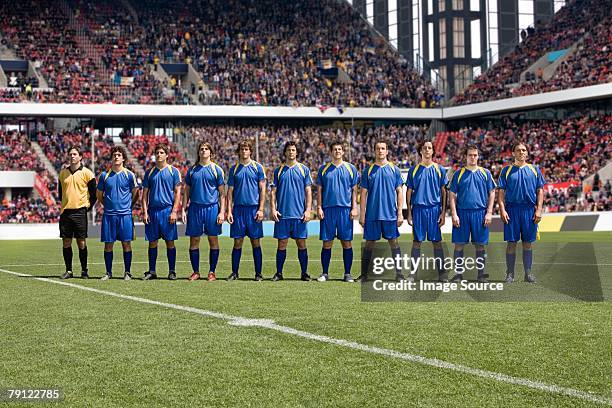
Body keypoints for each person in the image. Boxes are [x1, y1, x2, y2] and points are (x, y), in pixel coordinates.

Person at [498, 141, 546, 283]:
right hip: (512, 210)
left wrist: (539, 209)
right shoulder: (506, 171)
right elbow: (501, 192)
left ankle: (528, 273)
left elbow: (540, 191)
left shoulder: (534, 169)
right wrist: (502, 209)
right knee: (511, 243)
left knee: (527, 243)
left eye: (524, 150)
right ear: (513, 153)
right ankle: (510, 273)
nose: (521, 152)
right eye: (518, 150)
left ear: (527, 153)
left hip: (529, 210)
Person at [448, 145, 496, 283]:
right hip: (462, 213)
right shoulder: (459, 173)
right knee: (459, 244)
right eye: (470, 155)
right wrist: (454, 213)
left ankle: (481, 275)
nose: (473, 157)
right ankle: (458, 275)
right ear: (466, 156)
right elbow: (452, 194)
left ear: (478, 156)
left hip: (480, 213)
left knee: (480, 244)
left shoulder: (485, 173)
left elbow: (492, 192)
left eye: (475, 155)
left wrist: (489, 212)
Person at [358, 139, 404, 282]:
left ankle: (400, 274)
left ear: (387, 151)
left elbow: (399, 192)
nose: (380, 151)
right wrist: (362, 214)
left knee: (394, 242)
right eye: (378, 148)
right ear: (374, 151)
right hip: (372, 214)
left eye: (383, 148)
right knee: (369, 243)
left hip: (390, 214)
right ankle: (364, 275)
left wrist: (400, 213)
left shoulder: (394, 169)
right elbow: (363, 194)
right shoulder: (368, 170)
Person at [182, 142, 226, 281]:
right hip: (195, 208)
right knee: (194, 240)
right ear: (198, 152)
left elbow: (222, 193)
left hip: (212, 208)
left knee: (213, 240)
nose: (204, 151)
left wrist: (222, 211)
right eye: (201, 149)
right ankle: (196, 271)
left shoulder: (216, 170)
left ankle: (212, 272)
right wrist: (183, 209)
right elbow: (186, 191)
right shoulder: (192, 170)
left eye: (206, 149)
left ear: (211, 153)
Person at [316, 141, 359, 282]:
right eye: (335, 149)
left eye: (340, 149)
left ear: (343, 151)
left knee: (346, 242)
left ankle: (347, 274)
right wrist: (319, 207)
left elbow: (354, 190)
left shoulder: (350, 168)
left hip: (345, 210)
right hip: (328, 210)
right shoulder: (323, 169)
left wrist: (354, 207)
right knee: (327, 243)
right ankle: (325, 273)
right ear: (331, 152)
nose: (337, 151)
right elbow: (320, 190)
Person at [406, 140, 448, 282]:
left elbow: (444, 192)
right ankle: (413, 274)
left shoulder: (439, 169)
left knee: (436, 241)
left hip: (434, 210)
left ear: (433, 151)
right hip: (418, 209)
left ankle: (442, 274)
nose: (427, 150)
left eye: (429, 148)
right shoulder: (414, 170)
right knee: (417, 241)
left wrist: (443, 213)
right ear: (420, 151)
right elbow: (409, 191)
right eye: (424, 148)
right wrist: (409, 213)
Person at [270, 141, 313, 281]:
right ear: (285, 153)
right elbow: (273, 192)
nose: (291, 152)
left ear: (296, 152)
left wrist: (308, 210)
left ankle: (304, 273)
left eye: (293, 150)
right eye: (288, 150)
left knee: (301, 243)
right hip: (283, 214)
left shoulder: (303, 169)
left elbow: (308, 191)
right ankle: (279, 273)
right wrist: (273, 209)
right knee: (282, 243)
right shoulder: (279, 170)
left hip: (299, 214)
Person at [96, 146, 139, 281]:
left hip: (125, 215)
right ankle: (108, 272)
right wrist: (108, 205)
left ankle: (127, 272)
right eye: (114, 154)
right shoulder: (105, 175)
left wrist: (128, 206)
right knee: (108, 244)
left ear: (123, 158)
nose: (116, 157)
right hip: (109, 215)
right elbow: (99, 195)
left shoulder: (129, 175)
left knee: (126, 243)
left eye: (119, 155)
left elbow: (136, 193)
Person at [226, 140, 266, 281]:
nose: (244, 151)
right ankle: (235, 273)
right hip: (238, 210)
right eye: (242, 149)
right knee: (237, 242)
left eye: (246, 149)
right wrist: (229, 211)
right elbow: (229, 192)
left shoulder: (257, 167)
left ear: (250, 151)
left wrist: (261, 209)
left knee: (256, 242)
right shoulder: (234, 169)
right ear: (239, 151)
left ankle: (258, 274)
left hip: (253, 209)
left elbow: (262, 189)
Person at [142, 144, 182, 280]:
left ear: (167, 155)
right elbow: (144, 195)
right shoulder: (149, 172)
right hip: (153, 211)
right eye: (157, 152)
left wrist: (174, 211)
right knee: (152, 242)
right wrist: (145, 212)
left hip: (167, 211)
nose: (159, 155)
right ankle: (152, 271)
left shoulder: (173, 171)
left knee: (170, 242)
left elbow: (178, 193)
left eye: (161, 152)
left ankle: (172, 271)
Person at [58, 146, 96, 279]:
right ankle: (69, 270)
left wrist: (86, 208)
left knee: (81, 242)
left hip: (80, 212)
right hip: (66, 213)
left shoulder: (87, 173)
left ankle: (84, 270)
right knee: (66, 242)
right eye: (70, 154)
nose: (72, 156)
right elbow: (60, 193)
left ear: (80, 157)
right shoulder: (63, 173)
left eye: (75, 154)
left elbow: (94, 195)